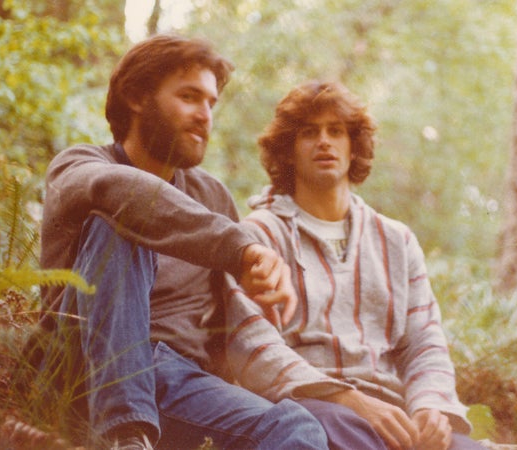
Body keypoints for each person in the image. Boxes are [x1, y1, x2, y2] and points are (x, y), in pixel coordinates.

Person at [31, 35, 327, 449]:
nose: (205, 115)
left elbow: (226, 327)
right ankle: (124, 437)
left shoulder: (212, 198)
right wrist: (241, 250)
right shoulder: (80, 167)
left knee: (298, 427)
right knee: (121, 224)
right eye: (190, 97)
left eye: (211, 103)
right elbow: (127, 193)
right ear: (136, 96)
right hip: (80, 372)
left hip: (179, 381)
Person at [225, 81, 486, 450]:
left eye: (337, 131)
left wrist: (430, 407)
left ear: (354, 146)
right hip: (309, 409)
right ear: (287, 150)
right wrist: (348, 400)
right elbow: (251, 347)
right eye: (308, 133)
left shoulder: (397, 240)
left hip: (392, 412)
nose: (324, 142)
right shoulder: (257, 237)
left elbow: (424, 339)